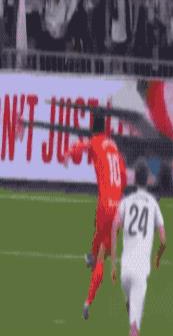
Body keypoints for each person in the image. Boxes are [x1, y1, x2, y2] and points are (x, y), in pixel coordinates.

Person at [63, 113, 127, 320]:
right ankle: (88, 298)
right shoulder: (113, 146)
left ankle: (88, 298)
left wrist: (68, 153)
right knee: (102, 251)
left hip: (105, 205)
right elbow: (124, 176)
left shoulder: (95, 141)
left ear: (93, 129)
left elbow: (81, 147)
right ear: (105, 129)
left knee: (99, 251)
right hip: (118, 207)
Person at [111, 159, 166, 336]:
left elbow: (114, 228)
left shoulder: (125, 202)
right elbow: (163, 240)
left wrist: (113, 264)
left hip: (125, 270)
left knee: (131, 307)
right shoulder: (153, 203)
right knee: (134, 329)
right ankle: (134, 324)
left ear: (134, 179)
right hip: (141, 271)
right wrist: (158, 257)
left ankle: (132, 315)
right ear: (148, 179)